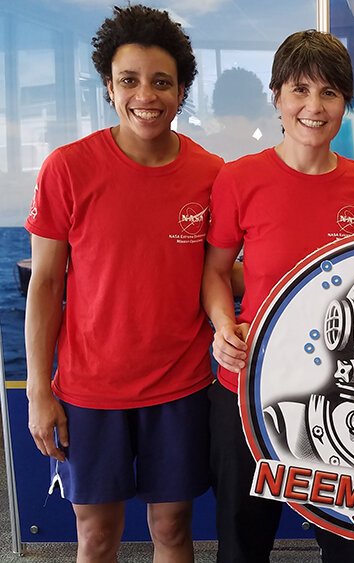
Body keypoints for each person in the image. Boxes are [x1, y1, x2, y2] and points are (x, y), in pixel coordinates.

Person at [201, 29, 354, 563]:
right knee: (242, 540)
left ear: (345, 104)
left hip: (342, 392)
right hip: (249, 384)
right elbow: (215, 271)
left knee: (347, 546)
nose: (314, 106)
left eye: (329, 93)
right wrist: (222, 326)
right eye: (300, 90)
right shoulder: (240, 179)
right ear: (278, 97)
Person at [24, 5, 222, 562]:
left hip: (179, 387)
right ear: (109, 87)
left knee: (174, 531)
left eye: (162, 82)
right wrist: (41, 390)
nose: (146, 95)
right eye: (129, 80)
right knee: (96, 536)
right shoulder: (68, 168)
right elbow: (44, 286)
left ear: (181, 91)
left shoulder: (211, 174)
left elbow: (221, 270)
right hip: (90, 390)